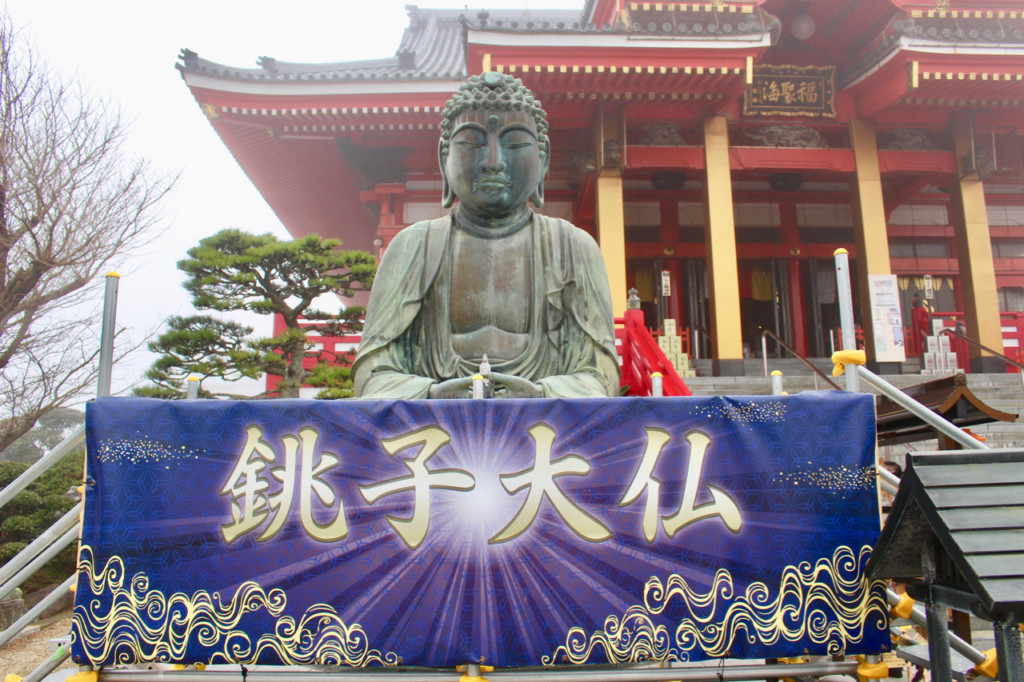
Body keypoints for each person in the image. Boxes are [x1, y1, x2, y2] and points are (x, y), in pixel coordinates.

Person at [352, 72, 620, 399]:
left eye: (515, 144)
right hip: (436, 426)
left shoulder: (571, 248)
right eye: (472, 143)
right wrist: (432, 394)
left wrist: (542, 394)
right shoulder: (413, 247)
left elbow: (600, 376)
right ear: (444, 159)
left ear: (543, 159)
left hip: (544, 427)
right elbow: (372, 375)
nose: (493, 162)